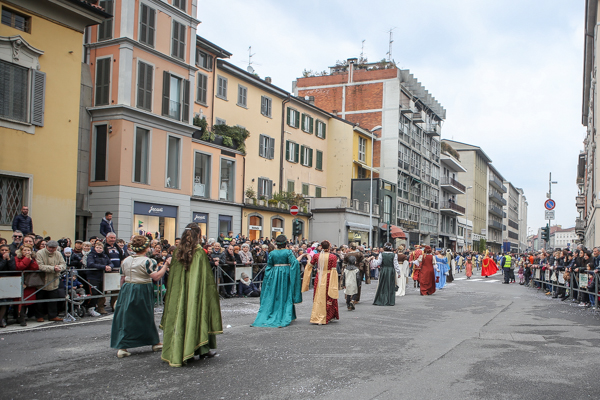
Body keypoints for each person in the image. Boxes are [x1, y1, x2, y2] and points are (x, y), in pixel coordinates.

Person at [160, 223, 222, 367]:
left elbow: (174, 277)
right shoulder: (199, 252)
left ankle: (184, 349)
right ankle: (201, 348)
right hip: (195, 291)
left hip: (179, 292)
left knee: (180, 316)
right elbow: (204, 277)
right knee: (197, 313)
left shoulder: (177, 252)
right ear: (198, 235)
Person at [110, 235, 167, 358]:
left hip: (127, 288)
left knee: (126, 316)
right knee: (145, 315)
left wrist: (122, 293)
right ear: (146, 248)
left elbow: (122, 278)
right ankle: (154, 342)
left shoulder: (125, 260)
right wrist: (165, 266)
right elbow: (156, 277)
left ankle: (123, 346)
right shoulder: (148, 261)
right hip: (142, 288)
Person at [252, 234, 302, 327]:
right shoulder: (288, 252)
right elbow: (294, 263)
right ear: (285, 243)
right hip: (285, 273)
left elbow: (269, 266)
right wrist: (301, 257)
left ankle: (273, 312)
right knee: (285, 294)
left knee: (274, 294)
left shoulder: (272, 253)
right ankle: (285, 314)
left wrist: (268, 277)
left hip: (274, 274)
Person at [302, 240, 339, 325]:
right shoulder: (333, 257)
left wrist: (308, 259)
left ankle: (317, 314)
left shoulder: (316, 256)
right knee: (328, 295)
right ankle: (329, 315)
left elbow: (310, 265)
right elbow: (334, 270)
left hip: (319, 277)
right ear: (329, 247)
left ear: (321, 247)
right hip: (329, 276)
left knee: (318, 295)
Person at [35, 240, 66, 322]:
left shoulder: (58, 254)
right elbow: (40, 266)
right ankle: (39, 316)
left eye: (53, 248)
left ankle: (53, 315)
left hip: (54, 280)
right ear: (46, 246)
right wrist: (53, 268)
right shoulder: (40, 253)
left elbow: (63, 264)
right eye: (50, 247)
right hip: (42, 279)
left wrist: (60, 267)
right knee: (40, 299)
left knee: (53, 299)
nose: (51, 249)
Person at [86, 241, 114, 316]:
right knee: (94, 292)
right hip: (93, 276)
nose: (99, 249)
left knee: (100, 292)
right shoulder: (91, 255)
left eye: (100, 248)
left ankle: (96, 307)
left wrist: (110, 267)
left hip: (102, 276)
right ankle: (90, 307)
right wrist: (103, 267)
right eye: (97, 248)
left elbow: (110, 262)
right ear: (94, 248)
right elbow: (91, 264)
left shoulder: (104, 256)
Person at [0, 244, 16, 327]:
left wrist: (9, 260)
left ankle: (2, 319)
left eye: (6, 250)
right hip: (0, 280)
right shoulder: (1, 258)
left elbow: (13, 270)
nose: (4, 252)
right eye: (2, 250)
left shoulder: (11, 258)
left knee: (5, 302)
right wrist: (3, 260)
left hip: (7, 281)